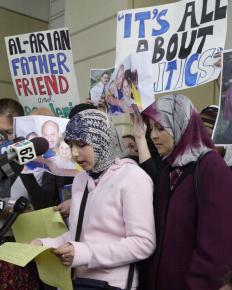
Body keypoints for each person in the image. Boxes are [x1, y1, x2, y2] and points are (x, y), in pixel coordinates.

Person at [31, 108, 156, 290]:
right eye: (71, 145)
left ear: (102, 141)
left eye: (81, 145)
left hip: (112, 285)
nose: (74, 153)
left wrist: (86, 253)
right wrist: (45, 244)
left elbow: (143, 243)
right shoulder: (81, 179)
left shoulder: (132, 177)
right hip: (75, 283)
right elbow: (79, 234)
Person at [132, 94, 232, 290]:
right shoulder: (169, 168)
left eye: (161, 128)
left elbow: (216, 246)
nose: (153, 135)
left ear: (182, 124)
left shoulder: (211, 167)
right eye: (152, 128)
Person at [0, 98, 40, 290]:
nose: (4, 139)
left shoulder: (36, 161)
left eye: (8, 132)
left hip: (25, 251)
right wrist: (8, 208)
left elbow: (46, 203)